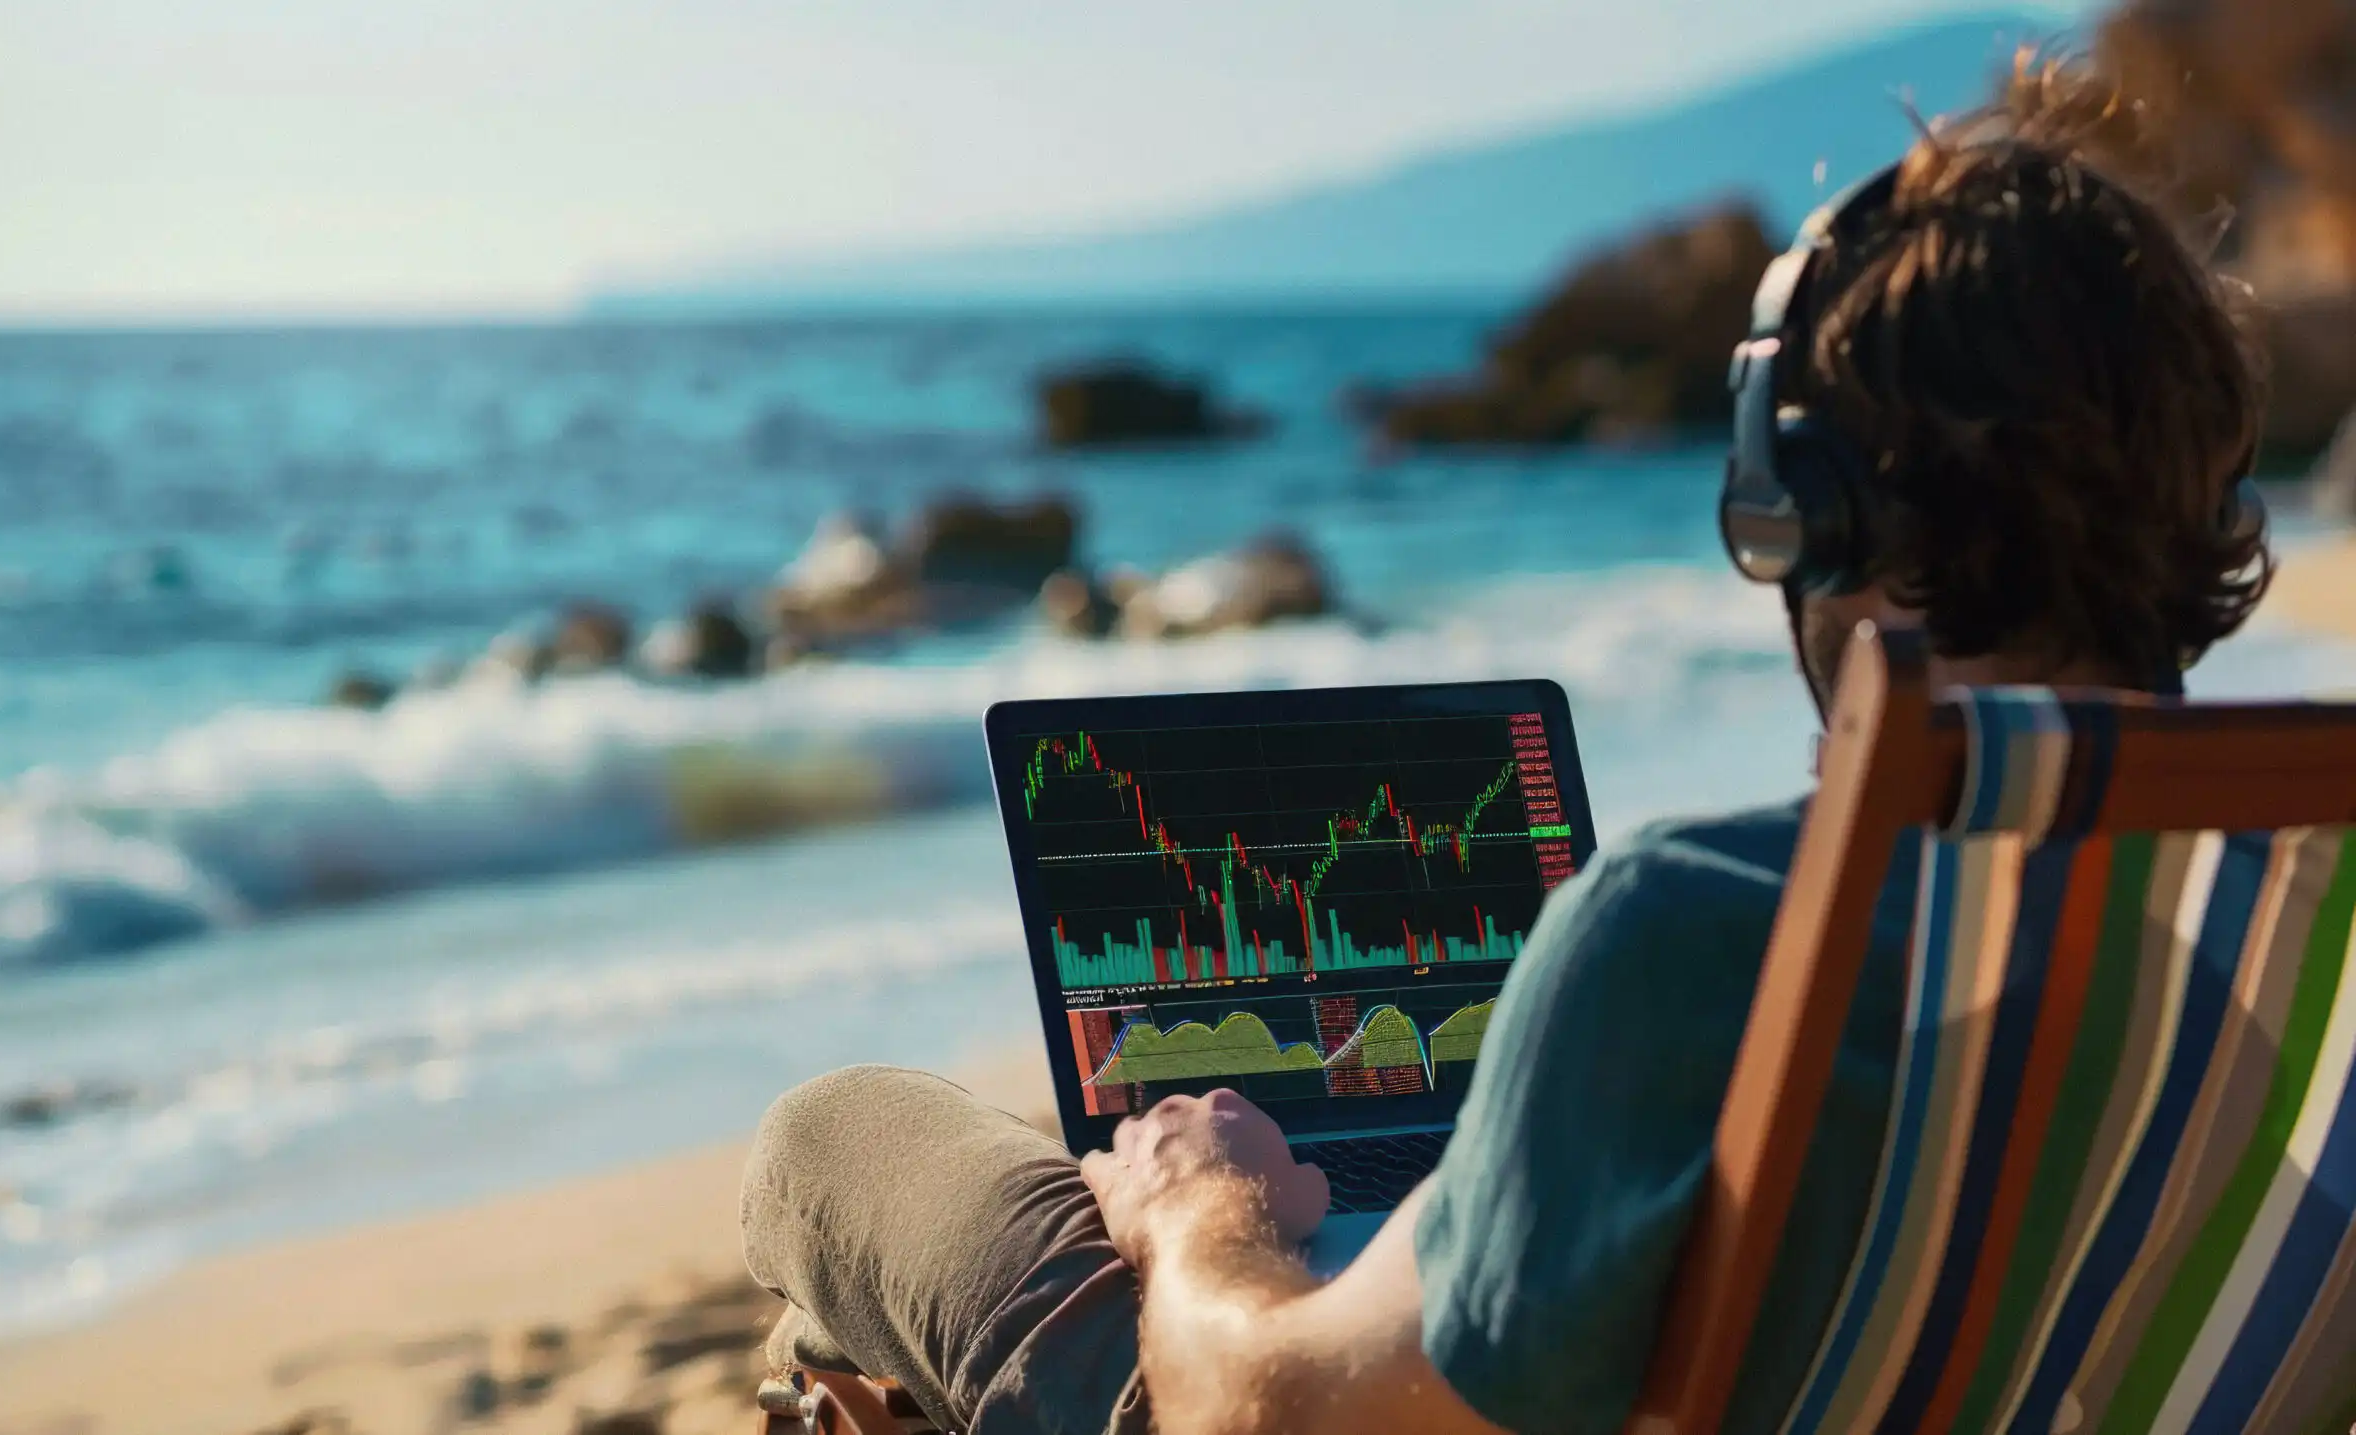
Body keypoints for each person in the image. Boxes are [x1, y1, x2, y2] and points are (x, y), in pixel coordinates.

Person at [738, 52, 2272, 1435]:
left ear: (1796, 507)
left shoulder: (1691, 925)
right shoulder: (2281, 922)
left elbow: (1259, 1418)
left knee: (829, 1146)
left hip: (1275, 1393)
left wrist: (1201, 1211)